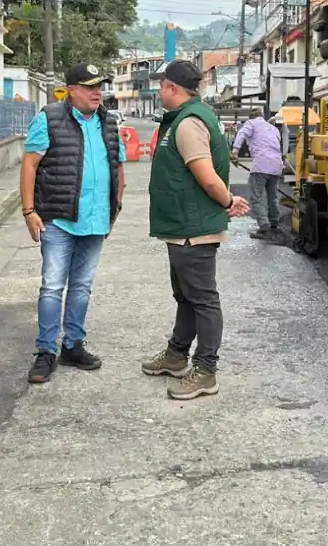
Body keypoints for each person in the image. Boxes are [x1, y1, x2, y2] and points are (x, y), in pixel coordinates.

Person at [139, 60, 249, 400]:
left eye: (162, 86)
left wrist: (228, 200)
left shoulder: (188, 123)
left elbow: (207, 176)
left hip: (193, 228)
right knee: (186, 295)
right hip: (183, 225)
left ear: (172, 87)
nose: (160, 91)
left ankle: (205, 371)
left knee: (202, 299)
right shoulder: (186, 117)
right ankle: (176, 355)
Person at [21, 63, 125, 384]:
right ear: (71, 90)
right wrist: (29, 211)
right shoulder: (49, 118)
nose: (97, 93)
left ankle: (72, 345)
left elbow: (118, 167)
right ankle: (46, 351)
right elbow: (30, 165)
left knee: (82, 286)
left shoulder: (109, 122)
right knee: (53, 286)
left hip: (95, 220)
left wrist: (114, 210)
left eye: (99, 87)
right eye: (90, 87)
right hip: (58, 219)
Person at [231, 108, 285, 239]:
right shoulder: (273, 128)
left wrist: (235, 152)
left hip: (262, 164)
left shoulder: (251, 123)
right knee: (272, 196)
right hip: (276, 165)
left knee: (257, 197)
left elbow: (242, 133)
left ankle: (264, 227)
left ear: (251, 117)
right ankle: (274, 224)